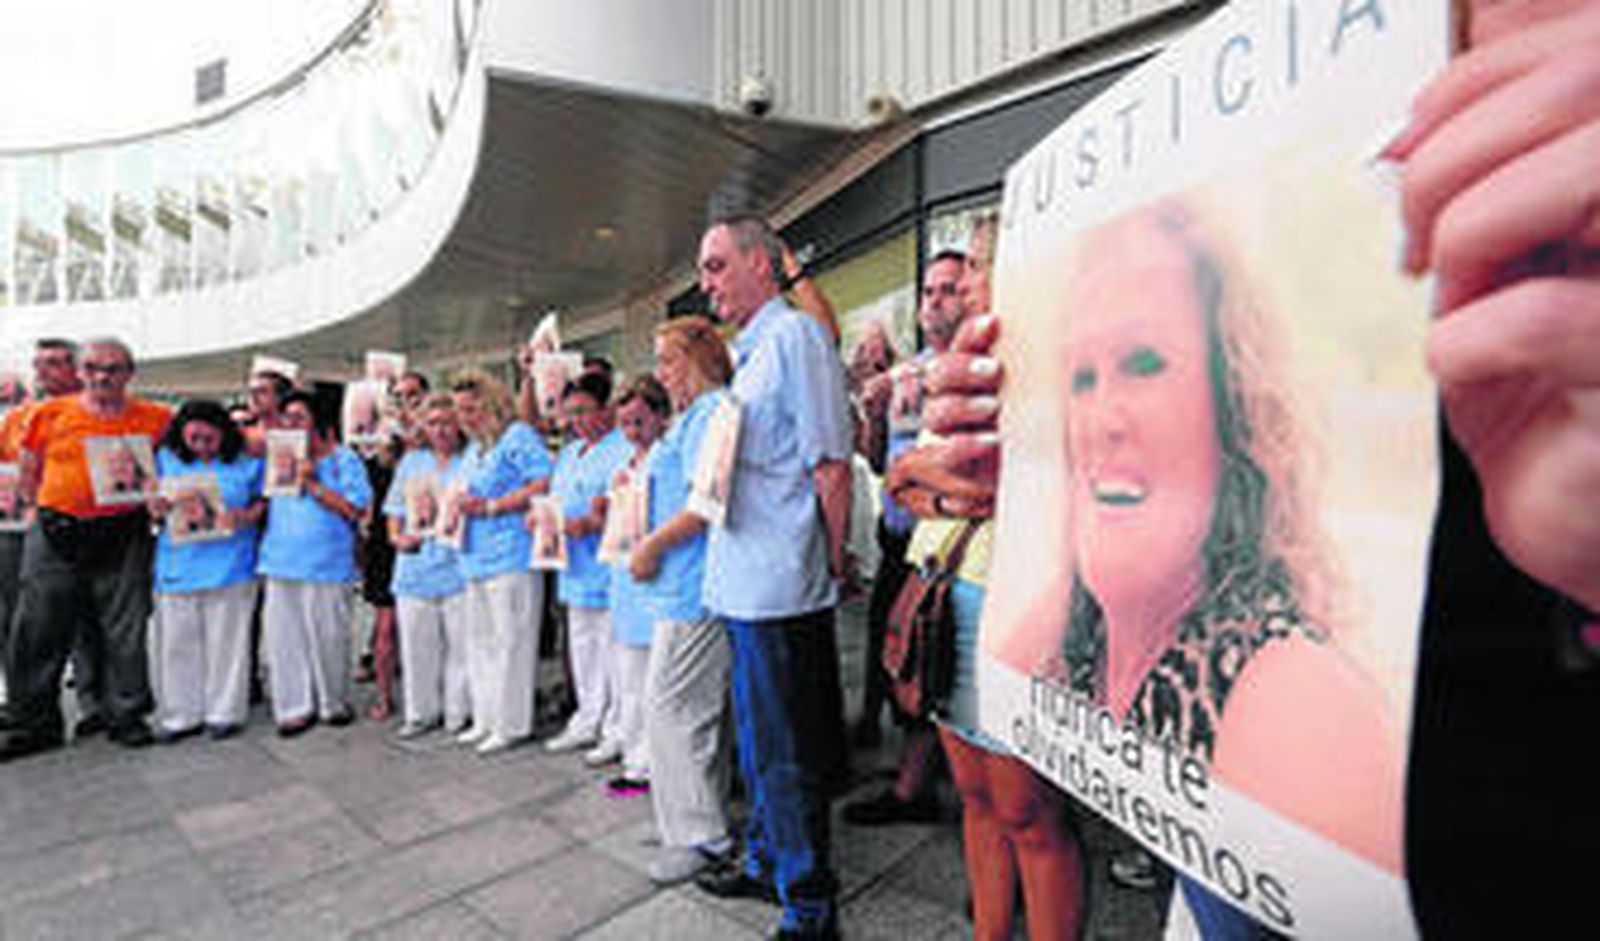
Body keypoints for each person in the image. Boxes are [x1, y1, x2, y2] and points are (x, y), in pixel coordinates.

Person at [886, 216, 1087, 941]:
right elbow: (901, 479)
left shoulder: (1046, 359)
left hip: (1011, 599)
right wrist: (942, 486)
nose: (963, 281)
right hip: (943, 591)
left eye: (973, 264)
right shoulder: (965, 360)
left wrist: (936, 481)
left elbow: (1006, 480)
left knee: (1030, 812)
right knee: (974, 795)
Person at [690, 216, 852, 941]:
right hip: (741, 581)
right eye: (704, 268)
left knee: (785, 751)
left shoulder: (796, 340)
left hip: (779, 586)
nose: (707, 281)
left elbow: (830, 465)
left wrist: (837, 557)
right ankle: (766, 860)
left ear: (762, 263)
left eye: (718, 264)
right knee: (759, 744)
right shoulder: (748, 353)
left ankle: (809, 906)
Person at [0, 338, 172, 758]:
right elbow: (29, 467)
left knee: (125, 629)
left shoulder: (156, 418)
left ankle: (126, 713)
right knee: (37, 628)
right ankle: (33, 723)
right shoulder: (48, 413)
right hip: (56, 530)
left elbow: (171, 469)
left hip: (123, 532)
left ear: (129, 374)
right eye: (93, 368)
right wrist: (34, 508)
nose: (102, 377)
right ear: (80, 372)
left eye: (113, 369)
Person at [843, 249, 968, 826]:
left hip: (952, 549)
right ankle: (914, 780)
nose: (935, 301)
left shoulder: (979, 371)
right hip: (900, 543)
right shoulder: (908, 373)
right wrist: (871, 416)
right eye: (928, 291)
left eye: (949, 289)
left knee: (948, 669)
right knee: (902, 663)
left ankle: (942, 789)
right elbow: (873, 460)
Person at [628, 315, 738, 884]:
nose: (660, 374)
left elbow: (705, 501)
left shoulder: (713, 410)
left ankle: (701, 835)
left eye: (667, 360)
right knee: (681, 708)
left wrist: (650, 544)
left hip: (696, 588)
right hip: (679, 586)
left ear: (697, 358)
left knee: (674, 708)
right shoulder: (691, 417)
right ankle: (687, 823)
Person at [256, 390, 371, 736]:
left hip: (327, 563)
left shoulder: (343, 459)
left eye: (299, 418)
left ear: (318, 421)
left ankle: (333, 702)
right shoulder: (277, 457)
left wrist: (312, 484)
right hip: (280, 561)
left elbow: (357, 510)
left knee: (329, 636)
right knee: (283, 639)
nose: (291, 424)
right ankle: (293, 707)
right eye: (286, 418)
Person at [148, 400, 265, 741]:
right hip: (178, 563)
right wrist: (155, 507)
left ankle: (224, 712)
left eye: (208, 439)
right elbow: (151, 502)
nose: (200, 446)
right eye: (193, 439)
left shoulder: (246, 461)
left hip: (231, 563)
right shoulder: (165, 459)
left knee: (227, 641)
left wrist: (244, 516)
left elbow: (264, 501)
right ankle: (180, 715)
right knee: (176, 643)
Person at [451, 369, 552, 754]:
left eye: (472, 408)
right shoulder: (474, 450)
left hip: (510, 553)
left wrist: (495, 506)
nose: (466, 417)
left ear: (492, 404)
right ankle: (485, 717)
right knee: (479, 641)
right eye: (461, 409)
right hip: (474, 555)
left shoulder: (518, 436)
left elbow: (543, 481)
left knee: (511, 642)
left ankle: (511, 724)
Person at [542, 372, 632, 762]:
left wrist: (592, 522)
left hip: (607, 565)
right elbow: (555, 498)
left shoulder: (621, 448)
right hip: (572, 565)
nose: (576, 420)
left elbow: (622, 504)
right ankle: (587, 718)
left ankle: (617, 729)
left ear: (606, 409)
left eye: (584, 411)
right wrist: (542, 520)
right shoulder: (568, 452)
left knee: (613, 652)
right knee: (582, 648)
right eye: (571, 413)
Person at [386, 392, 471, 738]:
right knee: (417, 646)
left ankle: (458, 712)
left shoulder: (471, 459)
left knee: (460, 646)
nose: (441, 430)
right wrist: (397, 539)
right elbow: (394, 511)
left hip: (458, 565)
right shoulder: (411, 462)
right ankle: (421, 712)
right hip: (416, 566)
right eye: (433, 423)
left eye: (447, 422)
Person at [603, 375, 673, 797]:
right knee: (629, 677)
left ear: (662, 417)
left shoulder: (668, 458)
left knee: (655, 683)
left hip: (657, 578)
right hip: (624, 581)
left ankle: (652, 763)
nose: (632, 432)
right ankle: (635, 758)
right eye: (625, 424)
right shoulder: (625, 466)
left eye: (640, 422)